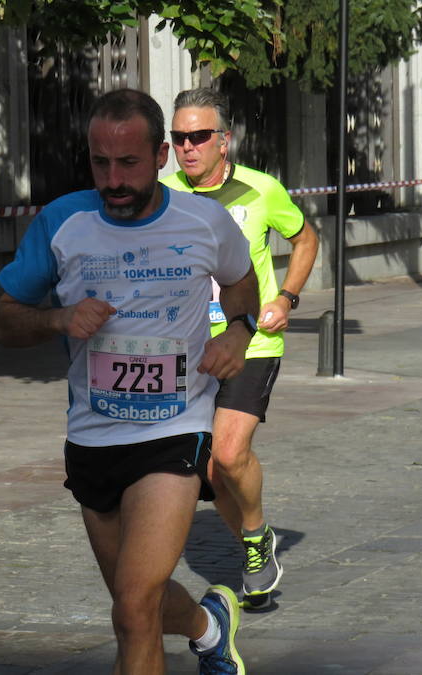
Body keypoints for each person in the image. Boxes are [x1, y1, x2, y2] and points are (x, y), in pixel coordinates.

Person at [0, 88, 260, 674]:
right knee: (132, 599)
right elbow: (5, 321)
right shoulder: (63, 222)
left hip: (176, 428)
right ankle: (209, 625)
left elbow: (242, 283)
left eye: (129, 163)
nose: (113, 179)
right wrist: (58, 318)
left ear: (161, 155)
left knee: (133, 608)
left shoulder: (203, 220)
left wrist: (238, 331)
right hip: (92, 437)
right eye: (100, 163)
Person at [161, 87, 319, 608]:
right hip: (189, 349)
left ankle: (253, 540)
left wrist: (289, 297)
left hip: (252, 340)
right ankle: (257, 543)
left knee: (229, 454)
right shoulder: (162, 192)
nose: (188, 147)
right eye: (179, 137)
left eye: (199, 136)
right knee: (209, 470)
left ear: (223, 141)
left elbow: (306, 238)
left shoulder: (261, 189)